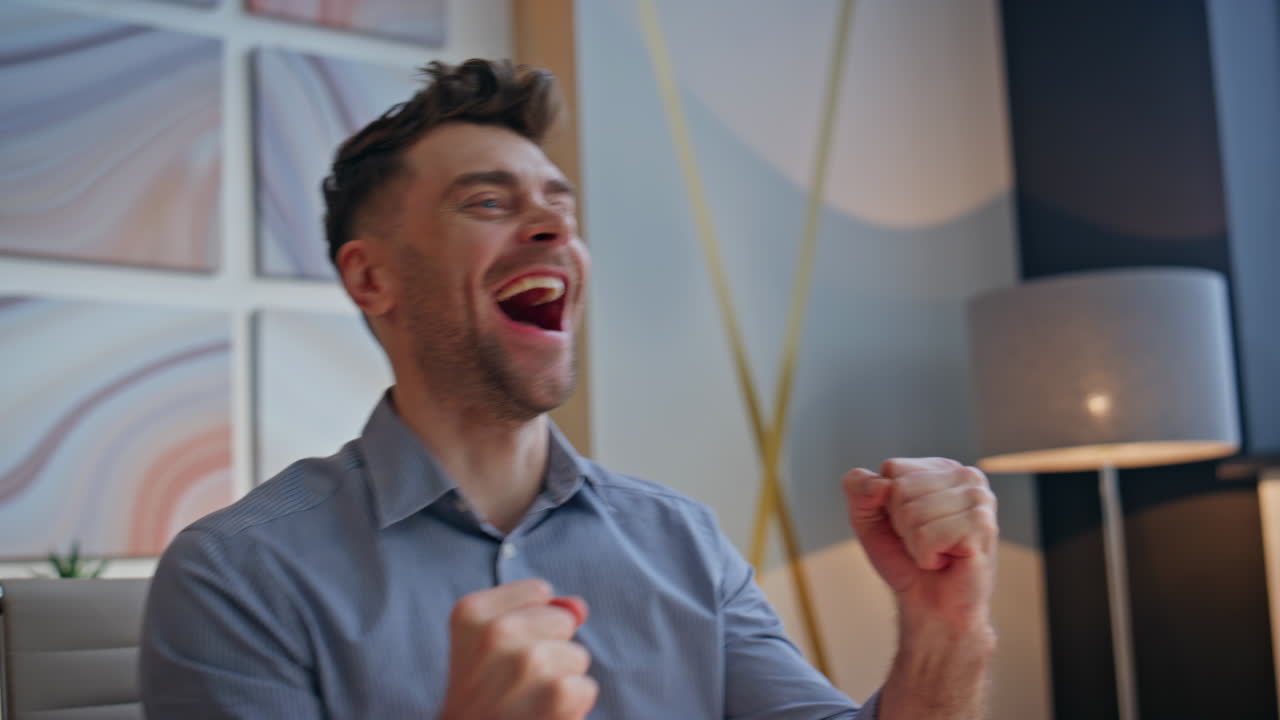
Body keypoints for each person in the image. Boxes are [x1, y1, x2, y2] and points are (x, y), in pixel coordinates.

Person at [140, 59, 998, 719]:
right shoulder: (237, 575)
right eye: (488, 203)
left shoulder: (682, 541)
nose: (552, 225)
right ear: (372, 278)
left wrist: (945, 630)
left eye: (561, 206)